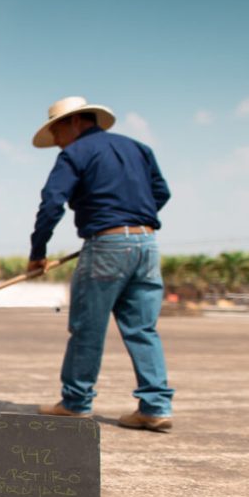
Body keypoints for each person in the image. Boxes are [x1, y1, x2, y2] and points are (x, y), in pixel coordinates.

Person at [28, 96, 174, 431]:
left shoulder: (74, 153)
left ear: (75, 123)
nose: (57, 142)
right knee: (142, 328)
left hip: (106, 246)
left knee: (87, 328)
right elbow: (161, 194)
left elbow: (52, 203)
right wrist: (132, 220)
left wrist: (38, 252)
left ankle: (76, 402)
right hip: (147, 243)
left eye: (57, 132)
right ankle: (155, 406)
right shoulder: (139, 148)